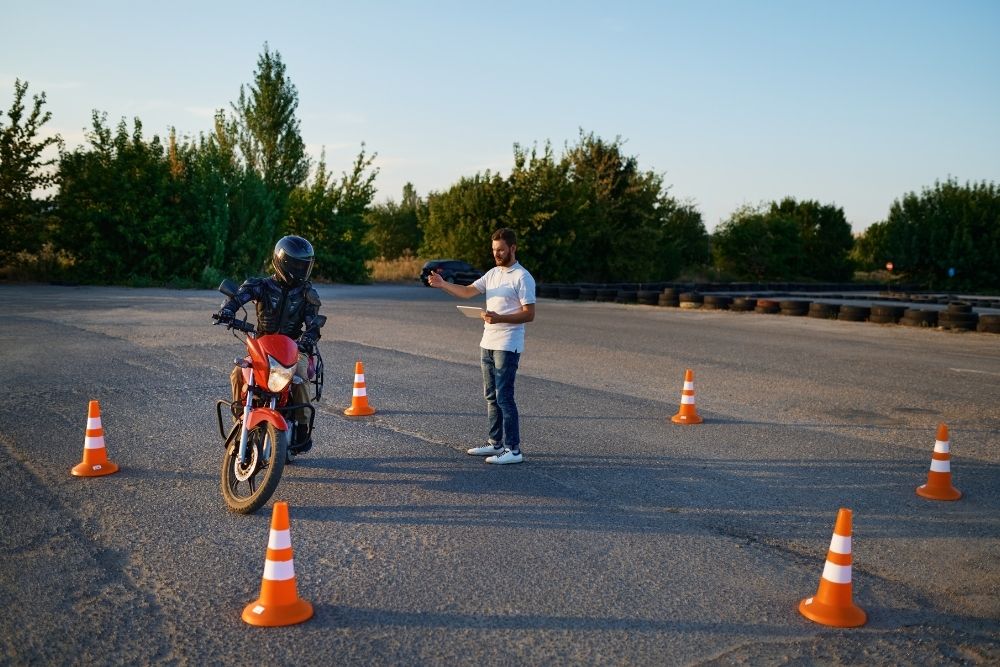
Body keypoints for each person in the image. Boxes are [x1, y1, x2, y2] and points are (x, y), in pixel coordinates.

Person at [429, 228, 536, 464]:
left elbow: (529, 314)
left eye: (501, 250)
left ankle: (514, 450)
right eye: (494, 250)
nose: (497, 254)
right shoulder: (493, 274)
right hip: (487, 342)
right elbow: (468, 292)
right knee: (491, 396)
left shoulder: (522, 277)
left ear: (513, 248)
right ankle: (495, 444)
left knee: (504, 397)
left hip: (508, 344)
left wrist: (500, 318)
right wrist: (442, 284)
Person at [217, 235, 324, 455]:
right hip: (263, 346)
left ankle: (303, 428)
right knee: (238, 372)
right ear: (283, 262)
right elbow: (240, 296)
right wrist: (229, 310)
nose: (301, 269)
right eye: (297, 264)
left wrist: (310, 336)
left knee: (301, 376)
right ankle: (241, 415)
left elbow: (313, 321)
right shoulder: (262, 286)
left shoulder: (306, 293)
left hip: (293, 347)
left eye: (305, 265)